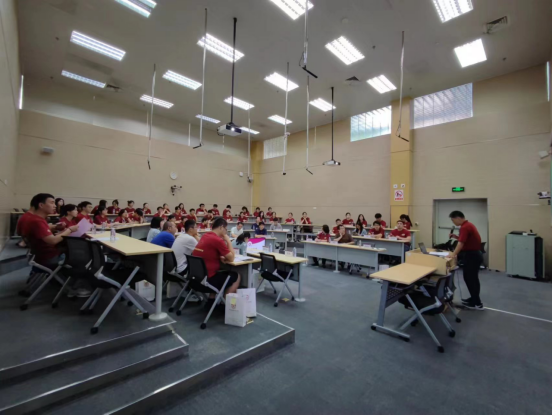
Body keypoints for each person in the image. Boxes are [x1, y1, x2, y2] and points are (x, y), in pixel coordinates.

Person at [22, 193, 79, 268]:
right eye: (52, 203)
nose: (55, 206)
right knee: (80, 253)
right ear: (41, 205)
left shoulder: (36, 219)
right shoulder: (37, 221)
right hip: (49, 257)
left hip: (43, 254)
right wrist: (70, 229)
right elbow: (53, 240)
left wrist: (56, 228)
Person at [194, 218, 241, 295]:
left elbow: (209, 253)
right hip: (207, 280)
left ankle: (211, 300)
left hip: (196, 279)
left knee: (219, 272)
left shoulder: (205, 236)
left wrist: (219, 257)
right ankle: (225, 302)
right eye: (226, 229)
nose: (226, 232)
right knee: (236, 276)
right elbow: (231, 258)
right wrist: (228, 240)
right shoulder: (217, 240)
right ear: (221, 227)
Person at [447, 211, 484, 310]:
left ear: (458, 218)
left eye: (453, 220)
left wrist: (453, 254)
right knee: (472, 278)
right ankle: (474, 299)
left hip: (472, 256)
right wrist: (456, 237)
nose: (453, 222)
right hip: (475, 255)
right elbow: (464, 239)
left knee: (470, 279)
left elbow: (461, 243)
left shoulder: (464, 227)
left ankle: (477, 303)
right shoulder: (468, 225)